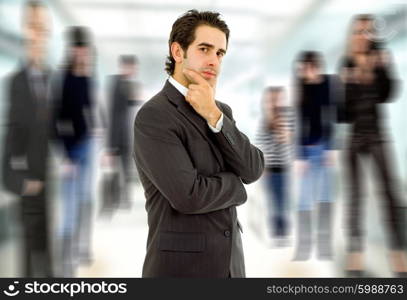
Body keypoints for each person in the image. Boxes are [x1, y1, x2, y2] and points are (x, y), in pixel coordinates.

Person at [133, 10, 264, 278]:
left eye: (220, 53)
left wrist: (213, 115)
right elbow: (188, 196)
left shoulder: (221, 111)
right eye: (204, 49)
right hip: (183, 270)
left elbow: (253, 168)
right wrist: (236, 187)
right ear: (178, 52)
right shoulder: (154, 116)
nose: (214, 61)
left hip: (230, 266)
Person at [339, 14, 407, 277]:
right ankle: (355, 254)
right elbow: (343, 113)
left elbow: (388, 94)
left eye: (367, 31)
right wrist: (347, 82)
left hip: (377, 133)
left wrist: (384, 69)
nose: (362, 35)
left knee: (389, 194)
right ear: (352, 34)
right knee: (355, 197)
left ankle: (398, 253)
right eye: (358, 30)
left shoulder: (380, 58)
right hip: (355, 137)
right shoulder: (346, 62)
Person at [1, 0, 53, 277]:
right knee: (29, 262)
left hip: (57, 183)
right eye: (33, 28)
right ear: (24, 31)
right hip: (32, 185)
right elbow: (11, 140)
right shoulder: (16, 83)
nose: (38, 35)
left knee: (52, 260)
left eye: (43, 29)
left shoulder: (55, 81)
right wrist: (18, 182)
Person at [53, 26, 96, 277]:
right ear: (71, 50)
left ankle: (81, 250)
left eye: (84, 49)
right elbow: (56, 119)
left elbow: (88, 111)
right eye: (77, 48)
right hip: (72, 151)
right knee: (68, 207)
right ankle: (65, 265)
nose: (81, 53)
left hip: (88, 145)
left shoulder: (86, 77)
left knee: (84, 201)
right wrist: (66, 154)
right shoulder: (63, 79)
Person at [293, 51, 336, 261]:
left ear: (317, 66)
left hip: (324, 147)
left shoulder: (328, 84)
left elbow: (331, 115)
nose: (306, 72)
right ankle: (303, 247)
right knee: (304, 199)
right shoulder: (301, 88)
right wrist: (300, 156)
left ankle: (325, 246)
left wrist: (330, 148)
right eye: (303, 69)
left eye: (310, 67)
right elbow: (300, 123)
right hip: (307, 150)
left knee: (325, 196)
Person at [255, 87, 294, 246]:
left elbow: (287, 139)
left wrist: (281, 125)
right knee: (272, 201)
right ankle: (276, 233)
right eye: (272, 99)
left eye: (278, 99)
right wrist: (262, 167)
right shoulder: (264, 120)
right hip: (269, 169)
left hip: (284, 167)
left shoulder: (287, 117)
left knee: (283, 200)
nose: (275, 103)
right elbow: (260, 144)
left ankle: (284, 233)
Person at [103, 55, 142, 211]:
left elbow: (132, 106)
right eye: (131, 67)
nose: (132, 71)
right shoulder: (115, 83)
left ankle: (123, 198)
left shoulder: (130, 85)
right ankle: (112, 200)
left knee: (125, 169)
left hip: (127, 136)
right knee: (113, 171)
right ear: (125, 66)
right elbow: (112, 113)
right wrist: (109, 145)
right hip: (115, 135)